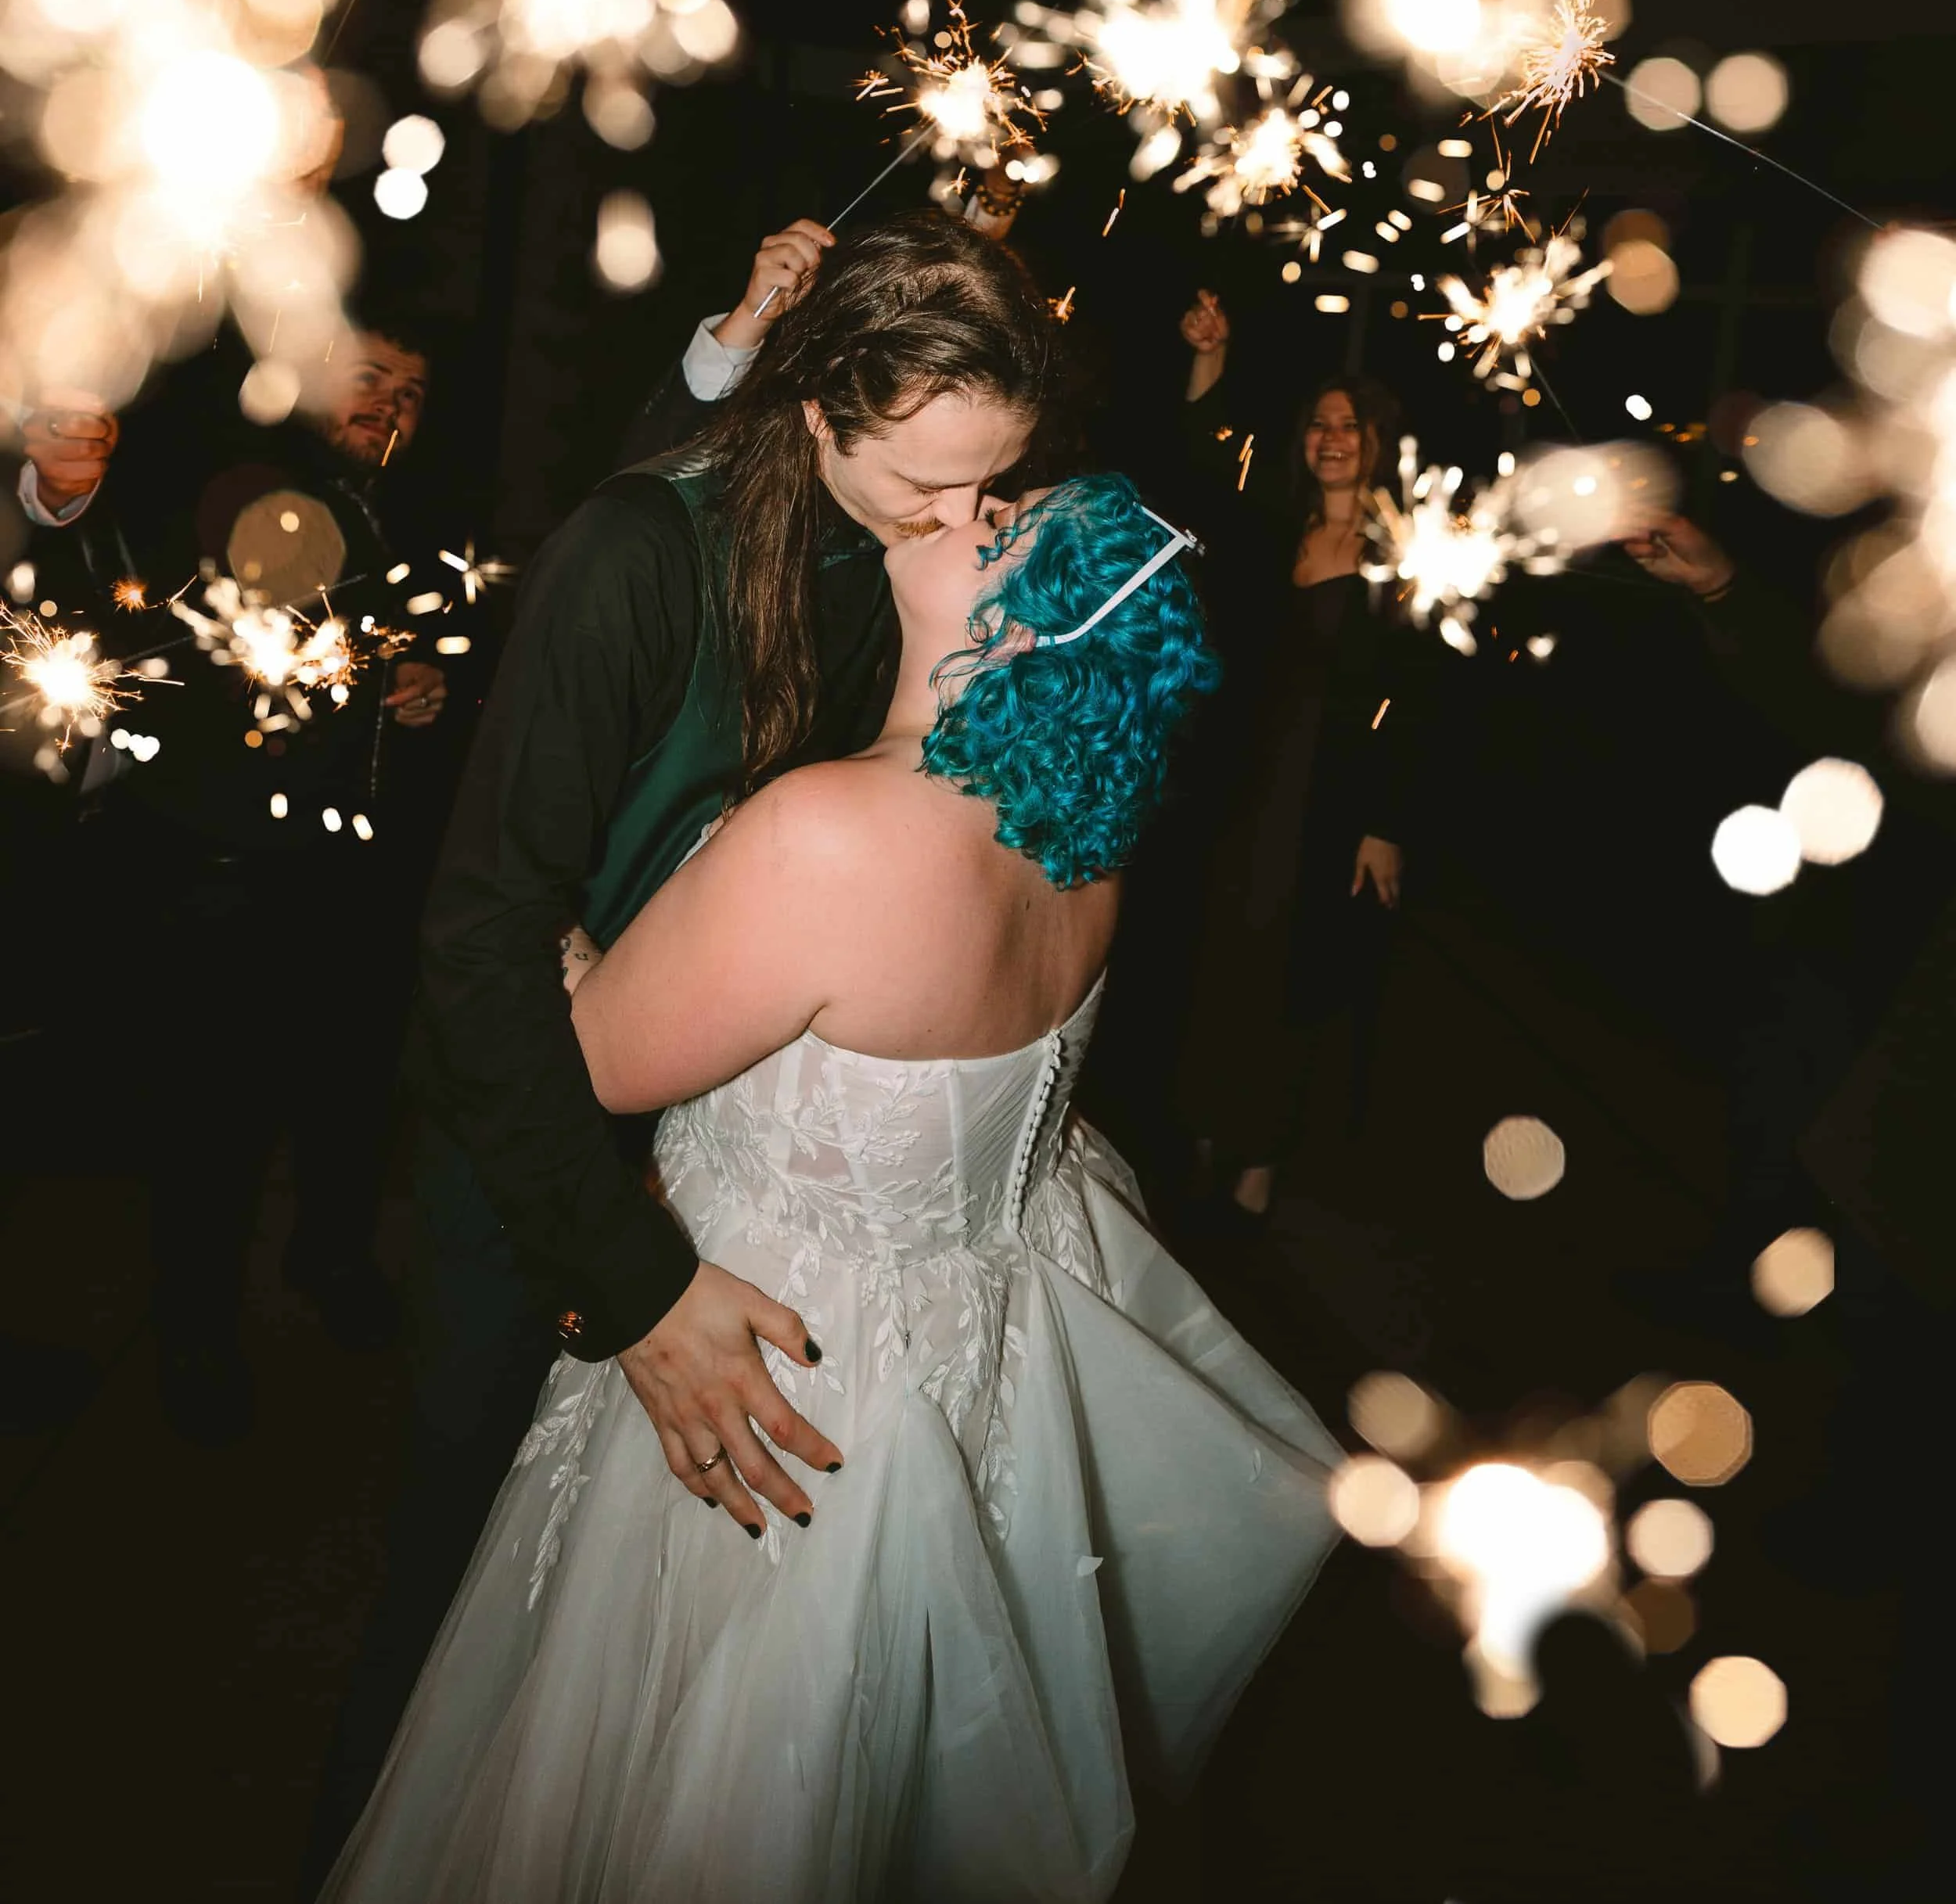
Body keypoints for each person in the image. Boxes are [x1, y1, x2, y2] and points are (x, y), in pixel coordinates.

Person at [319, 472, 1340, 1904]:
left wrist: (542, 908)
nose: (961, 501)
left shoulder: (835, 831)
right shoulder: (1084, 838)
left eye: (1000, 522)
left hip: (769, 1385)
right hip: (953, 1363)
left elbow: (600, 1059)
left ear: (1022, 628)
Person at [306, 211, 1058, 1879]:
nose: (970, 531)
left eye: (991, 487)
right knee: (455, 1628)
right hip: (537, 1171)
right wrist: (627, 1284)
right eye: (924, 487)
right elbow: (480, 938)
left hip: (751, 1178)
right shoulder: (633, 554)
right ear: (812, 410)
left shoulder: (922, 556)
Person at [98, 304, 451, 1442]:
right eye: (369, 375)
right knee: (216, 1120)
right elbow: (242, 647)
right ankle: (193, 1332)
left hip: (345, 873)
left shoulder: (396, 511)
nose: (387, 404)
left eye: (409, 394)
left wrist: (425, 693)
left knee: (348, 1084)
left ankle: (329, 1256)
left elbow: (392, 657)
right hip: (224, 864)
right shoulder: (247, 482)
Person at [1176, 292, 1414, 1217]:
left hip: (1330, 798)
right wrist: (1210, 360)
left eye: (1349, 426)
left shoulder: (1404, 554)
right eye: (1318, 424)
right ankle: (1202, 1124)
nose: (1330, 438)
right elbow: (1202, 467)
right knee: (1222, 954)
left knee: (1295, 974)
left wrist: (1386, 825)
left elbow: (1416, 704)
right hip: (1246, 778)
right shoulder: (1273, 522)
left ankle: (1261, 1152)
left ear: (1381, 441)